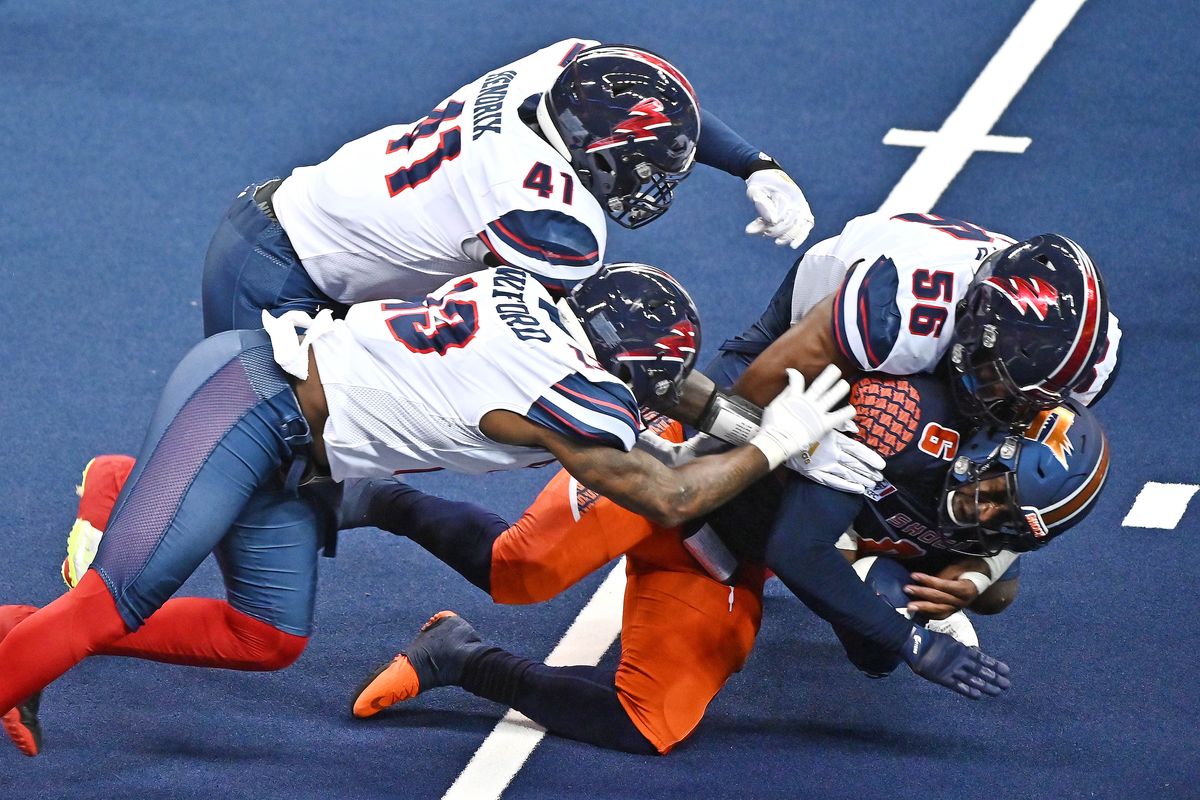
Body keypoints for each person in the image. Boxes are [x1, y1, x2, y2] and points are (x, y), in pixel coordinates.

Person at [0, 262, 859, 758]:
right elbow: (671, 492)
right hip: (253, 407)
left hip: (296, 445)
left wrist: (747, 423)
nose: (659, 393)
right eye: (652, 377)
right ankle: (36, 647)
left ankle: (26, 634)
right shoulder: (571, 397)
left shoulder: (532, 288)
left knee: (266, 638)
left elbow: (673, 393)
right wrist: (773, 445)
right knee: (116, 599)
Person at [344, 376, 1104, 755]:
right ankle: (383, 499)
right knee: (524, 569)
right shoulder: (907, 418)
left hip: (717, 556)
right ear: (991, 437)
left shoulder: (986, 535)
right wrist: (906, 640)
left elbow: (991, 581)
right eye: (997, 490)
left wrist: (960, 589)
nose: (985, 511)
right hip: (675, 474)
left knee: (655, 724)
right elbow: (802, 553)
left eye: (1008, 520)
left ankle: (458, 657)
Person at [201, 39, 815, 336]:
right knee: (267, 470)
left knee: (319, 468)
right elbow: (594, 340)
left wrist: (754, 164)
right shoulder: (548, 215)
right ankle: (112, 508)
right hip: (280, 272)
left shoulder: (555, 72)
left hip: (315, 237)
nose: (651, 185)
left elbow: (640, 102)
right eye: (645, 169)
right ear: (596, 153)